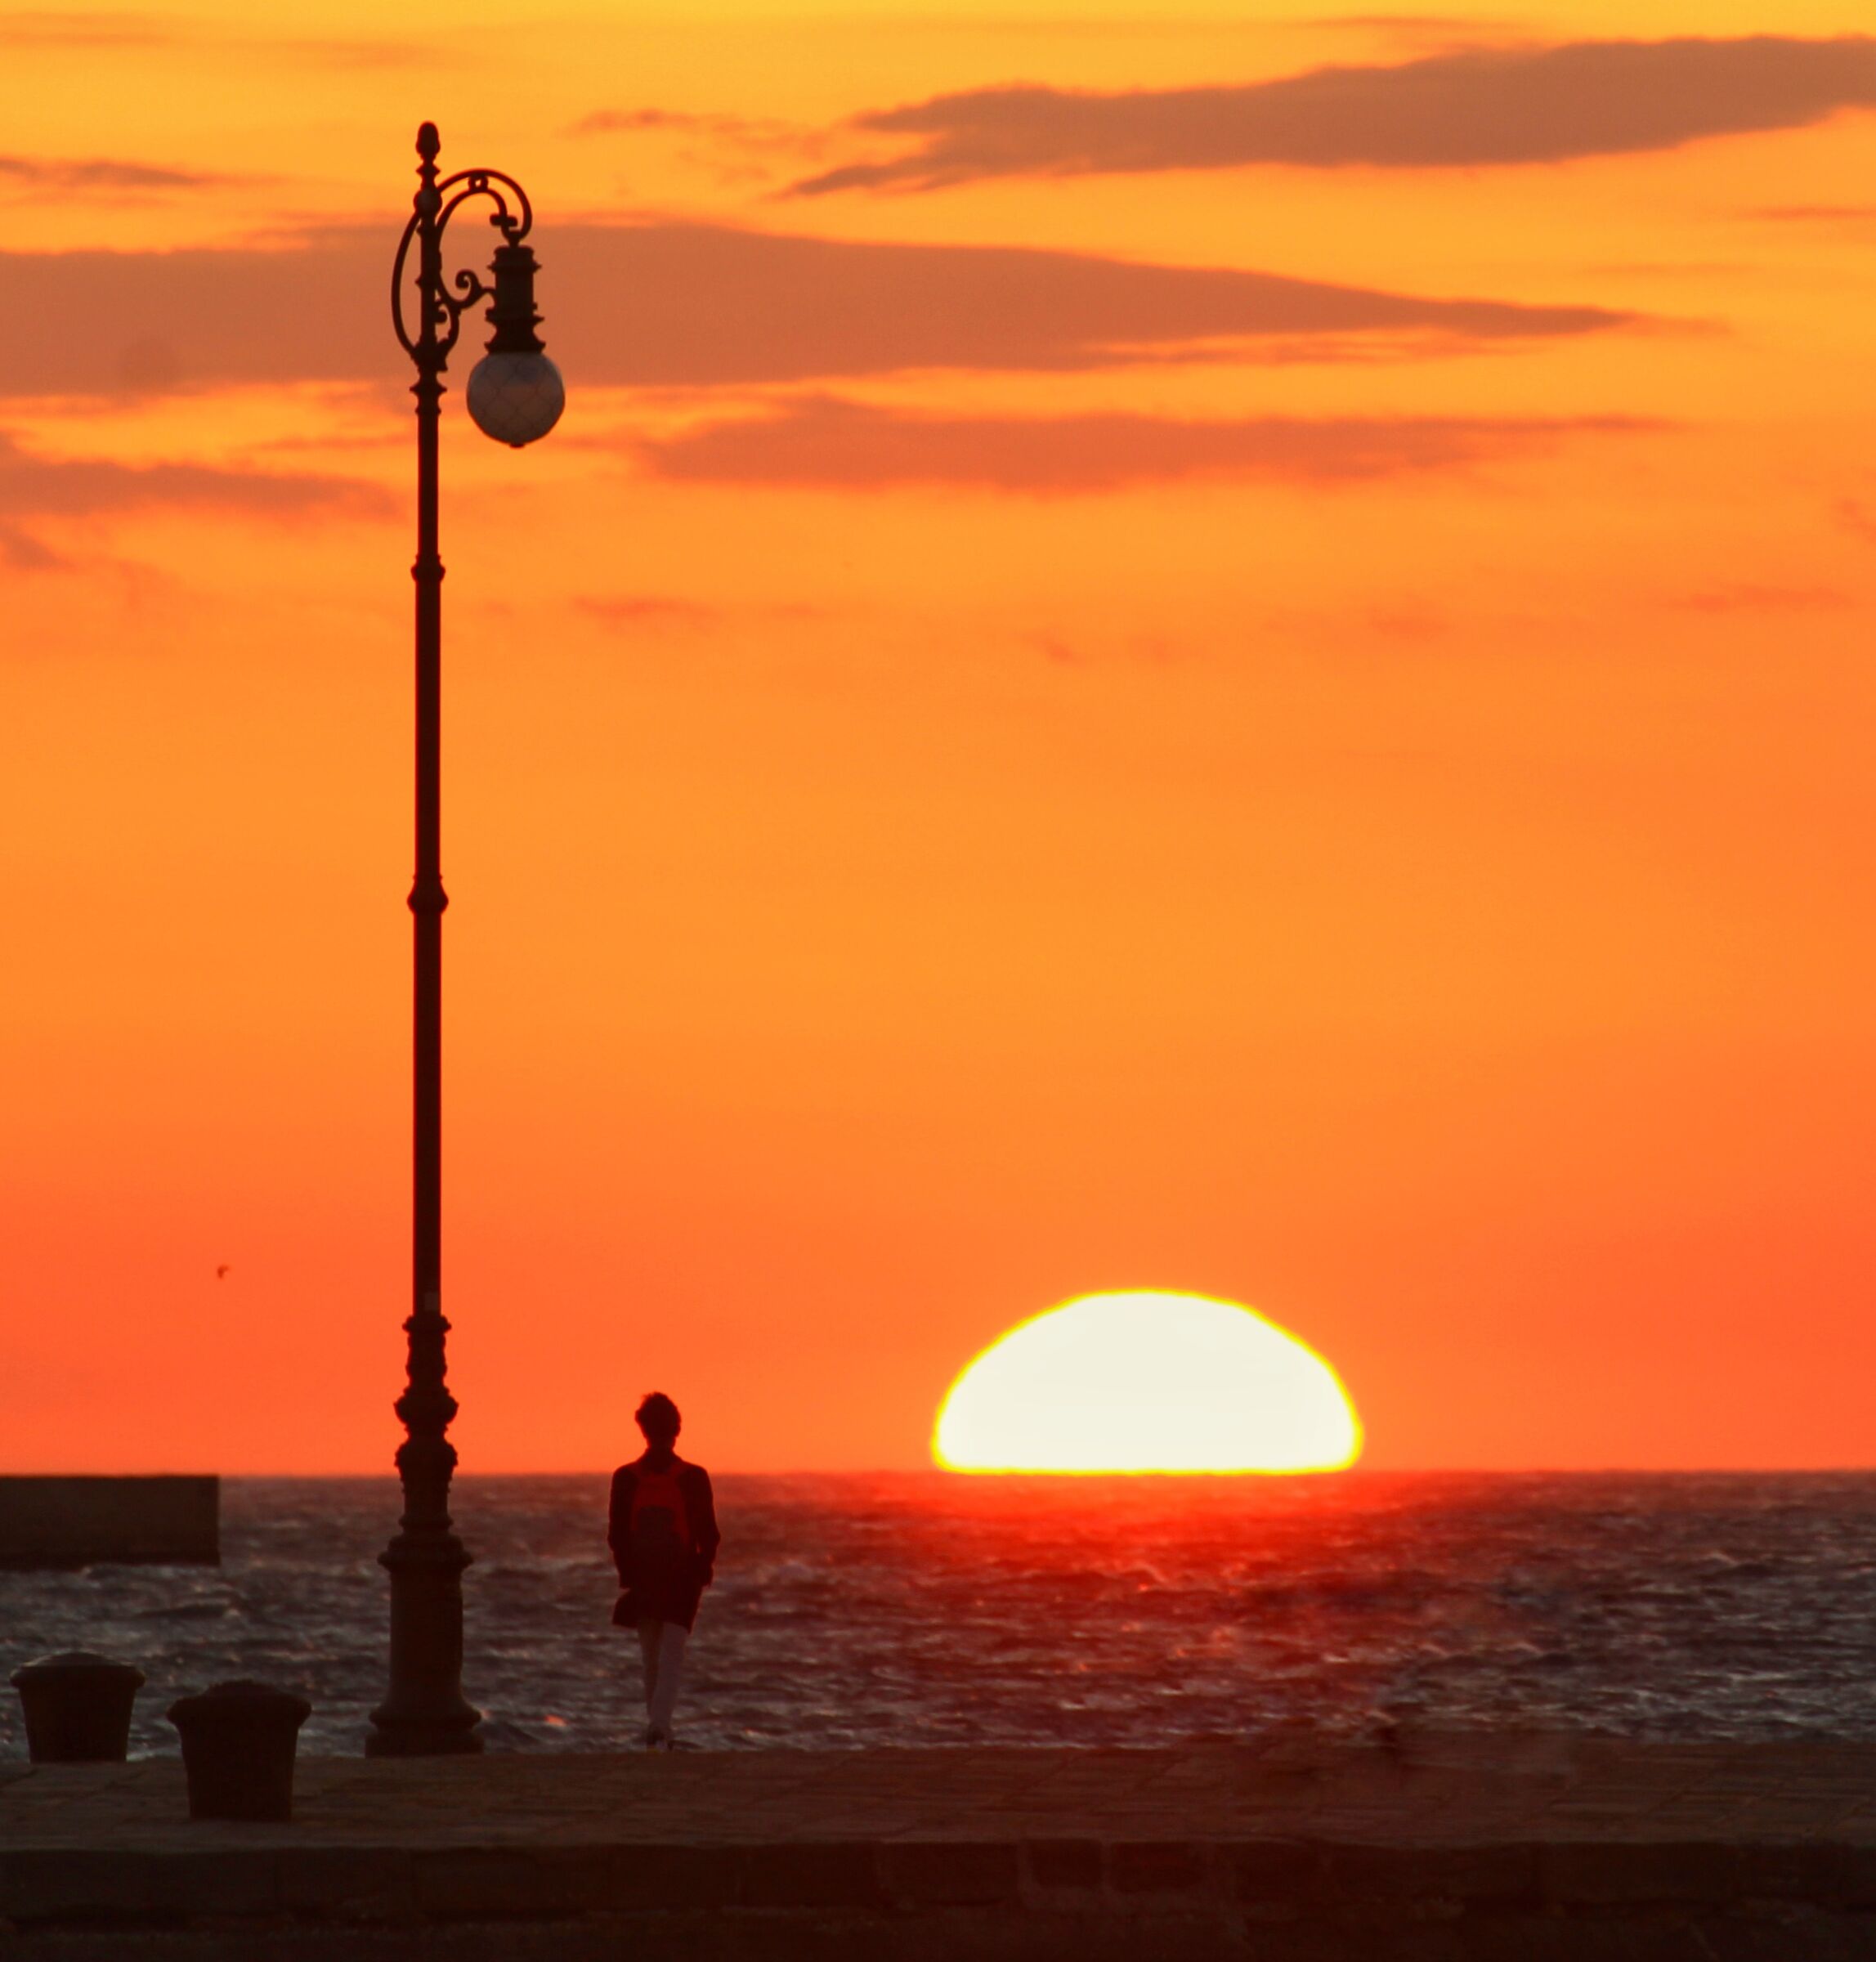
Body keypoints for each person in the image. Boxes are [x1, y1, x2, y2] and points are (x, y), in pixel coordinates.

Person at [607, 1392, 719, 1749]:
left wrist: (630, 1576)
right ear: (677, 1430)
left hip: (644, 1577)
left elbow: (617, 1535)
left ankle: (658, 1728)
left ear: (643, 1429)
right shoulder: (694, 1477)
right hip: (682, 1578)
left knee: (651, 1656)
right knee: (672, 1653)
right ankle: (659, 1727)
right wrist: (703, 1569)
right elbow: (709, 1534)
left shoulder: (625, 1477)